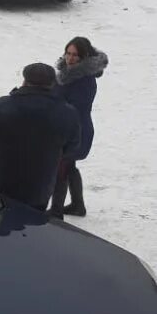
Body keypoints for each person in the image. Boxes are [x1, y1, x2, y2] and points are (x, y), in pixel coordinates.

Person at [0, 63, 80, 212]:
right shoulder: (67, 113)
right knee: (29, 229)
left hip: (0, 186)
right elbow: (71, 148)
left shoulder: (1, 106)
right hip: (39, 191)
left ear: (24, 81)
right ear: (52, 84)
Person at [49, 37, 109, 218]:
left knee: (61, 167)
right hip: (67, 128)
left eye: (75, 55)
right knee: (68, 166)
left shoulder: (85, 81)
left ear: (84, 57)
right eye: (68, 53)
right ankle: (77, 205)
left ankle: (56, 212)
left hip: (76, 131)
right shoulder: (66, 75)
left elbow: (75, 108)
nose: (70, 58)